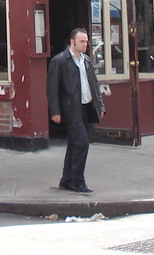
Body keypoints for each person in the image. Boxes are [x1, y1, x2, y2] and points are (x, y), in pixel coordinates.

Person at [47, 27, 105, 194]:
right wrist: (55, 111)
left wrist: (100, 105)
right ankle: (77, 181)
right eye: (82, 41)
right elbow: (52, 89)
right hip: (70, 109)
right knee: (82, 143)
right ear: (72, 42)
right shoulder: (59, 61)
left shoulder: (86, 61)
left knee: (74, 144)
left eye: (86, 41)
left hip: (86, 107)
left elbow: (94, 85)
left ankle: (66, 180)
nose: (85, 44)